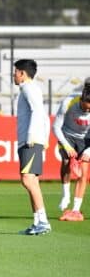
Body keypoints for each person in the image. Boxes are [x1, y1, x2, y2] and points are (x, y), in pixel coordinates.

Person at [13, 59, 52, 235]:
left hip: (31, 140)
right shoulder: (28, 89)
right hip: (31, 139)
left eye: (15, 72)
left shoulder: (29, 88)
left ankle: (43, 221)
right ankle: (38, 222)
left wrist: (32, 137)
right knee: (31, 180)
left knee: (28, 179)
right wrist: (45, 137)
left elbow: (38, 112)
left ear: (22, 73)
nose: (14, 75)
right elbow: (44, 116)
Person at [54, 82, 90, 221]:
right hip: (67, 134)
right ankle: (66, 195)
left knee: (84, 172)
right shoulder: (68, 103)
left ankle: (75, 210)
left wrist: (88, 151)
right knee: (66, 160)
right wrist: (67, 147)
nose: (86, 112)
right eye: (85, 108)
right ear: (81, 100)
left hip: (87, 139)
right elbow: (56, 127)